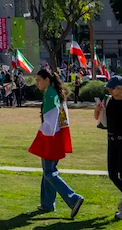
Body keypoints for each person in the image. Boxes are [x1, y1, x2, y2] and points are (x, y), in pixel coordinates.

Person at [29, 68, 83, 218]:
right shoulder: (53, 93)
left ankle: (73, 198)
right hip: (55, 136)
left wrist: (44, 138)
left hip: (51, 137)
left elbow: (51, 121)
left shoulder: (51, 95)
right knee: (48, 171)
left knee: (49, 172)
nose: (37, 83)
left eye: (39, 80)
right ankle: (47, 203)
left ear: (47, 80)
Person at [94, 75, 122, 220]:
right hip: (111, 141)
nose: (110, 90)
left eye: (112, 88)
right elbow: (97, 118)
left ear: (120, 89)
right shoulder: (109, 101)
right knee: (112, 174)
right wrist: (98, 109)